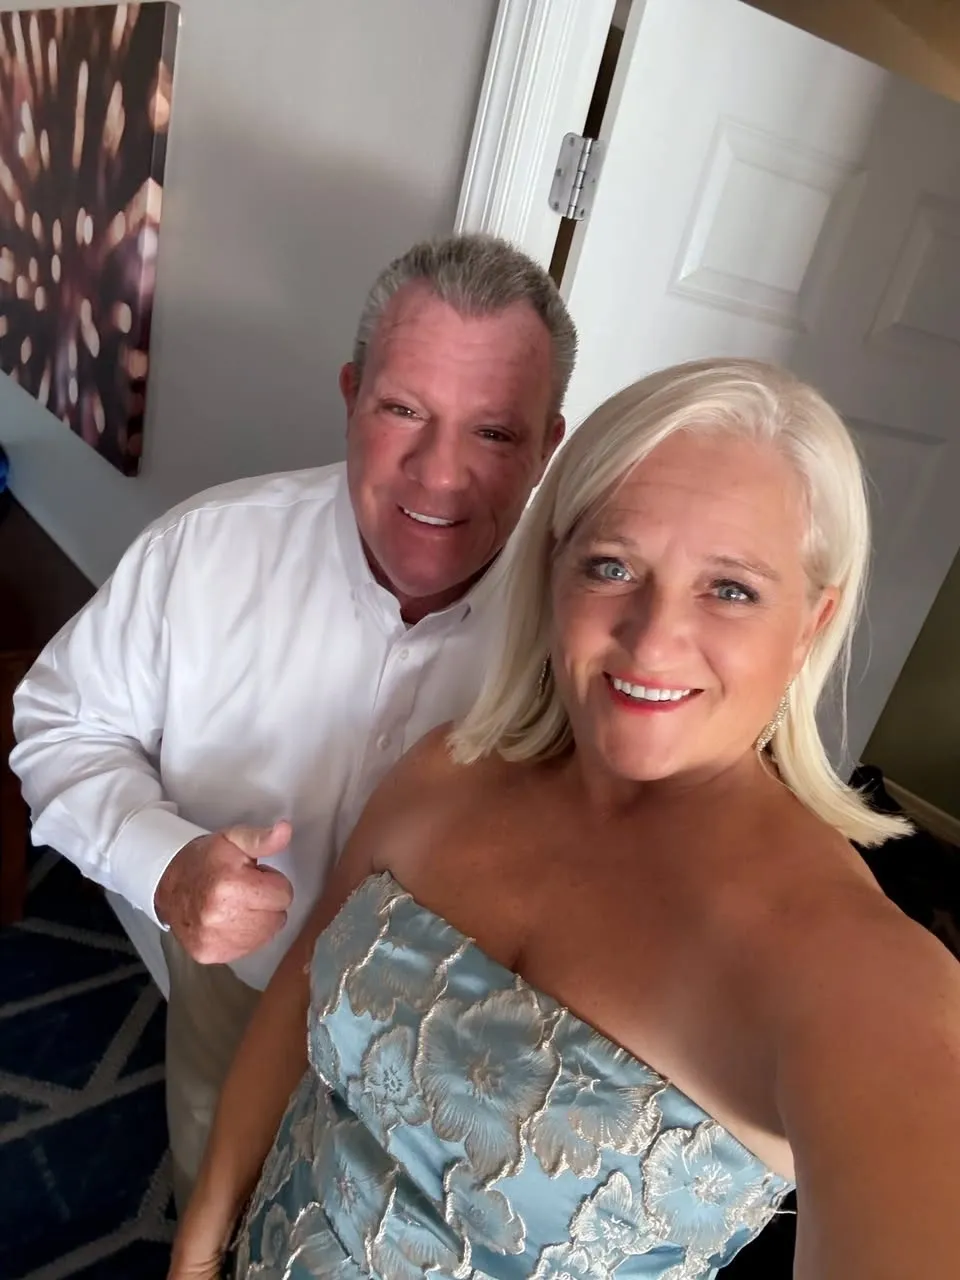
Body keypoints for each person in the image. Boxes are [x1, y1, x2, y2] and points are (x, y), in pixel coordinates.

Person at [169, 358, 960, 1280]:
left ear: (813, 624)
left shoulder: (847, 963)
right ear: (554, 575)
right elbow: (304, 982)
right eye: (612, 565)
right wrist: (199, 1241)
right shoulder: (448, 770)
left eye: (732, 588)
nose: (654, 636)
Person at [10, 233, 572, 1206]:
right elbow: (61, 725)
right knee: (209, 1198)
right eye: (404, 409)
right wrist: (165, 863)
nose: (439, 475)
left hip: (460, 1053)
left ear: (548, 444)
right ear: (351, 394)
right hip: (237, 991)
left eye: (494, 432)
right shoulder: (207, 547)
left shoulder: (592, 628)